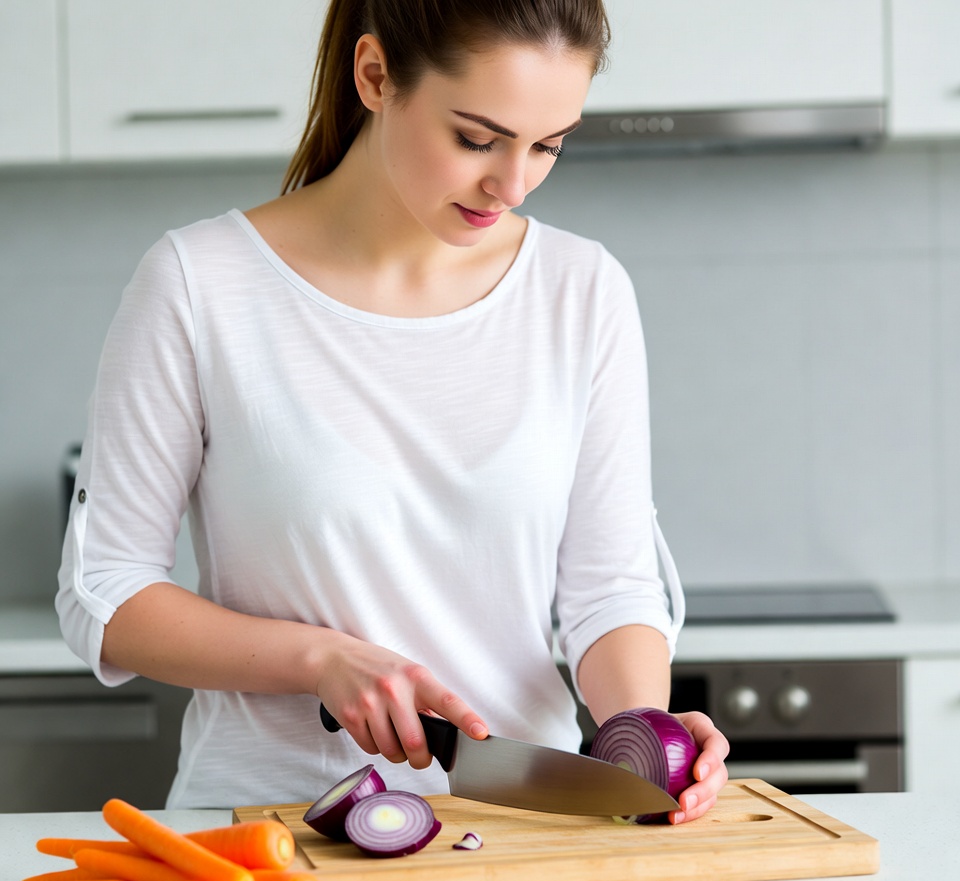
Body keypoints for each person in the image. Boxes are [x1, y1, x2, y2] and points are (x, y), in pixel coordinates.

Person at [57, 0, 729, 819]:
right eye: (477, 138)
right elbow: (105, 593)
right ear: (376, 77)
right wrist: (320, 660)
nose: (511, 183)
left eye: (549, 144)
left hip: (528, 824)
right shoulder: (201, 284)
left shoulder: (581, 291)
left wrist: (641, 731)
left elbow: (610, 590)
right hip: (270, 829)